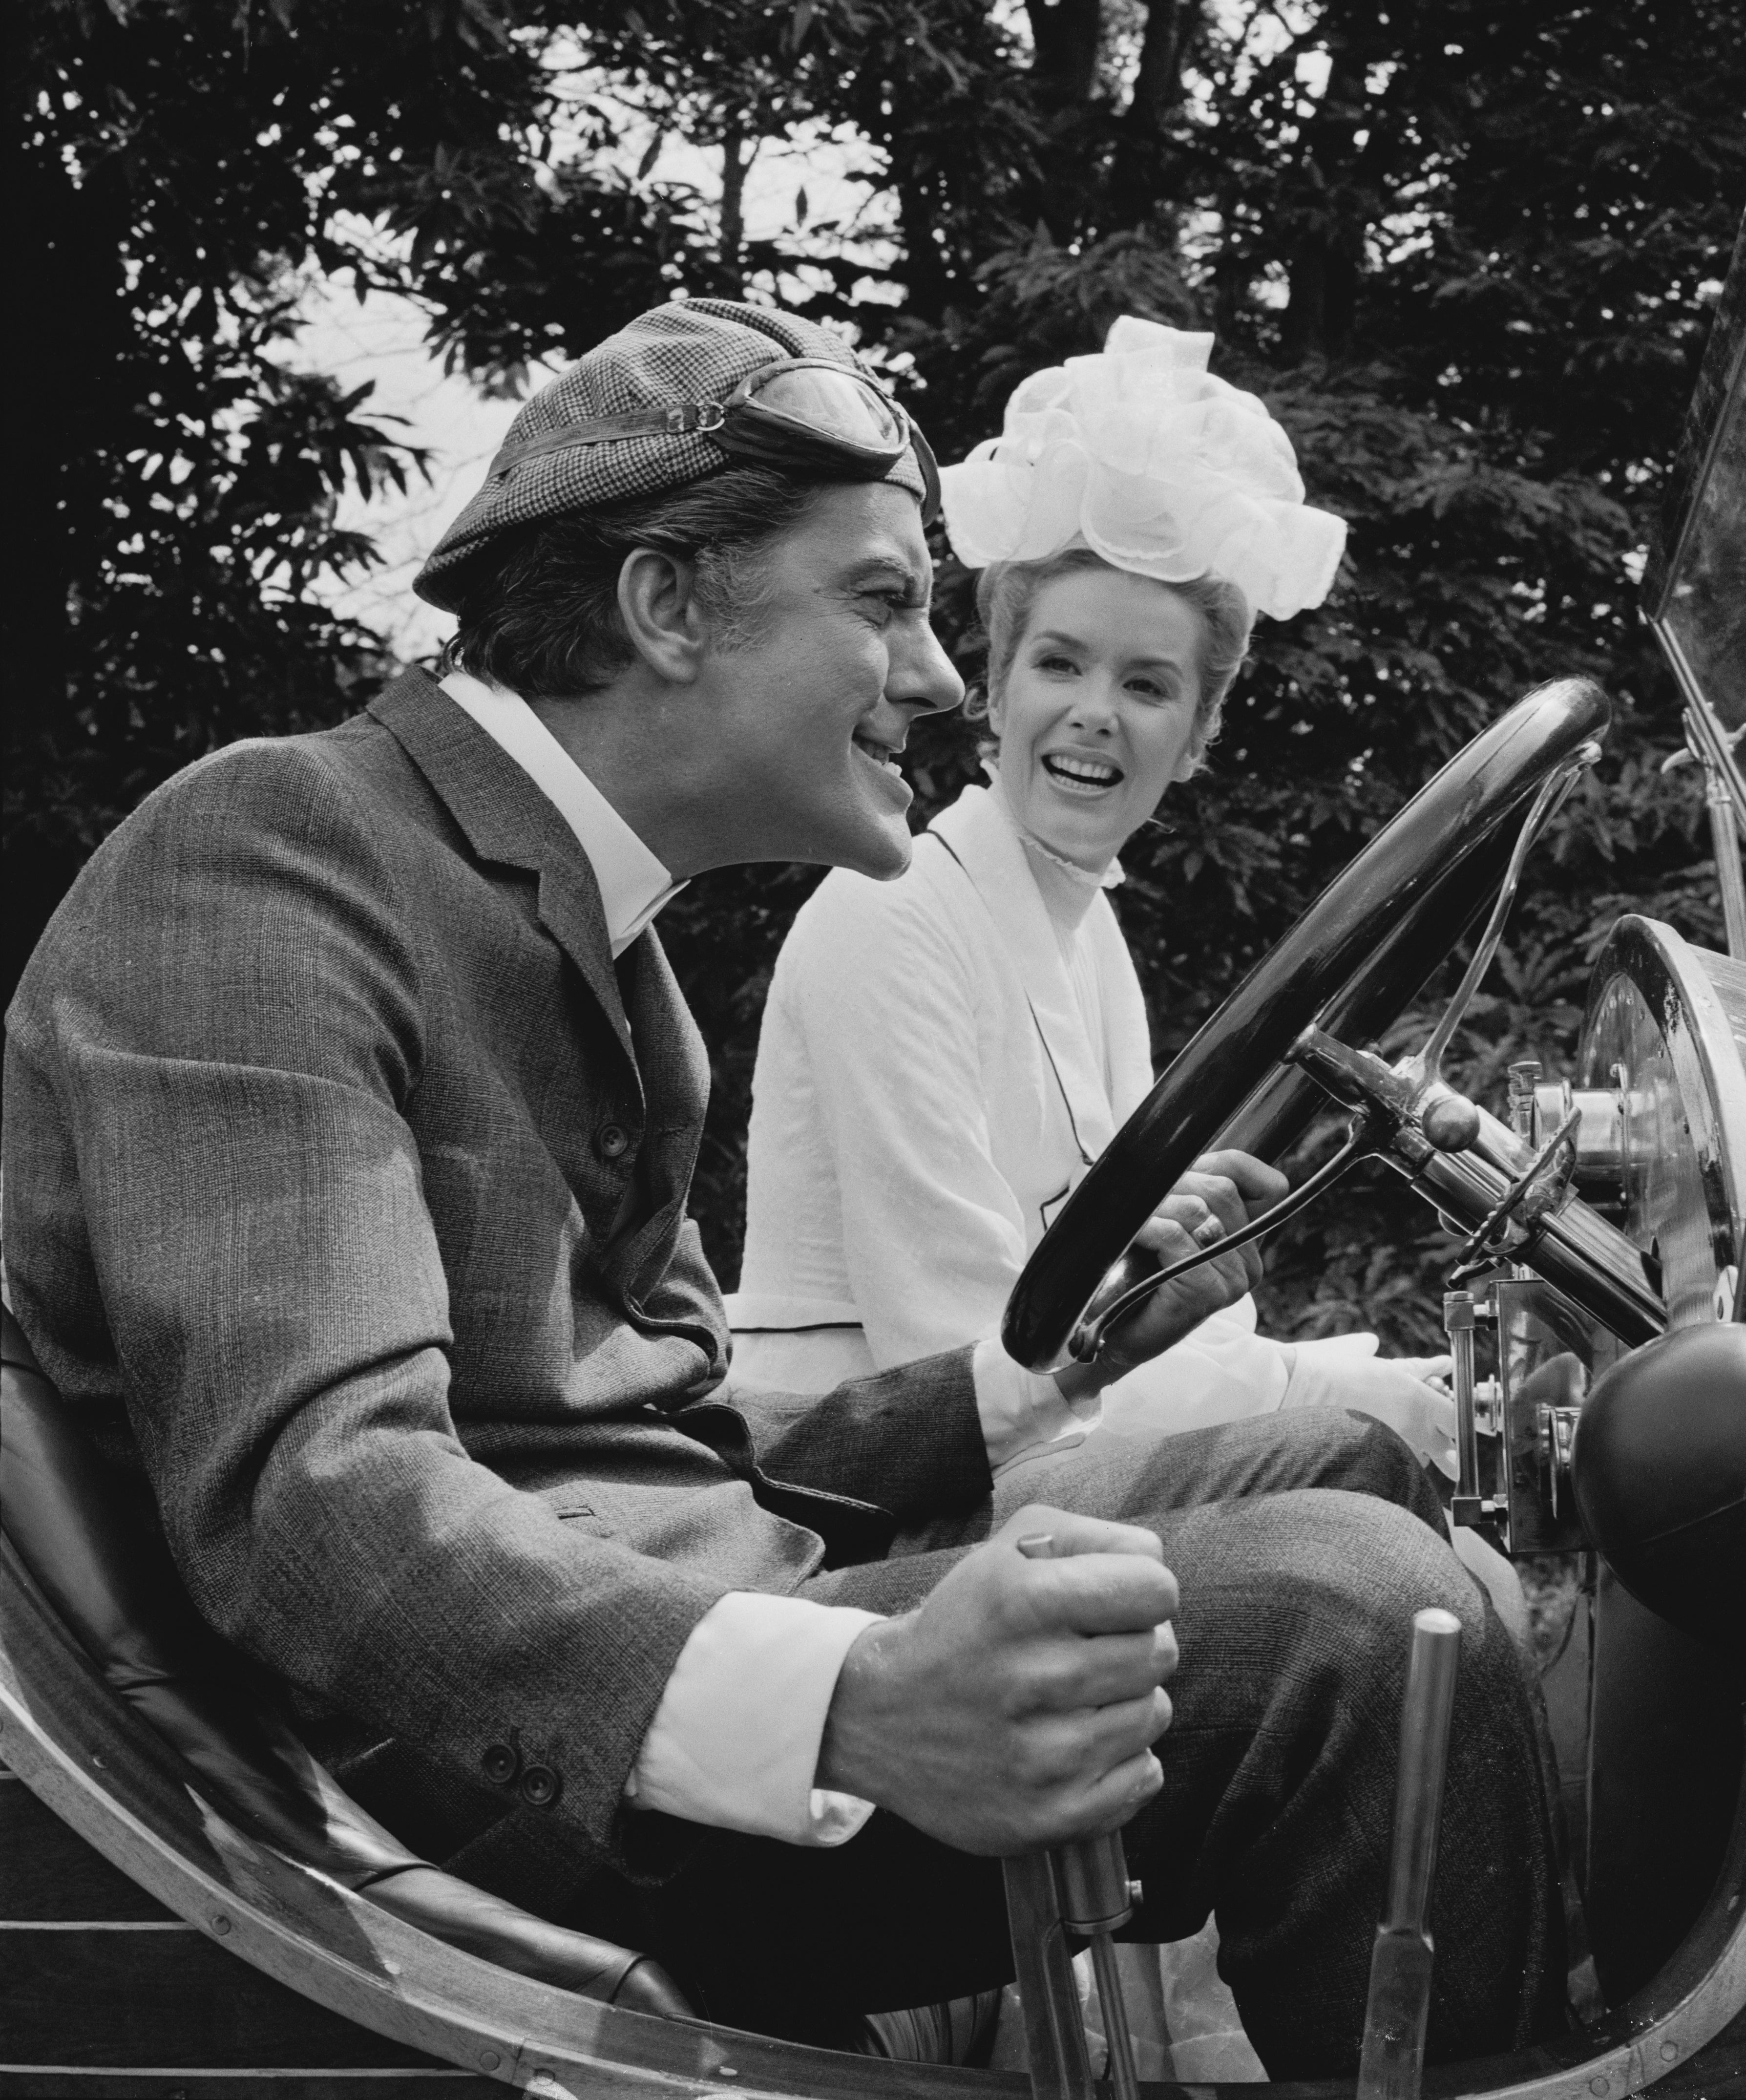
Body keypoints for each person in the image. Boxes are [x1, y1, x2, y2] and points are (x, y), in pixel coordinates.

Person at [1, 298, 1559, 2077]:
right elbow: (318, 1497)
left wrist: (1019, 1380)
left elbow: (683, 1443)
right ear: (668, 606)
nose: (947, 682)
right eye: (885, 603)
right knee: (1362, 1619)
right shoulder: (274, 856)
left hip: (678, 1657)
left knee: (1391, 1552)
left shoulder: (613, 947)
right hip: (503, 1776)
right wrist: (857, 1699)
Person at [730, 316, 1529, 2070]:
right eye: (1060, 666)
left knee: (1397, 1467)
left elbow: (1126, 1326)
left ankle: (1441, 1997)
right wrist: (1359, 1385)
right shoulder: (893, 923)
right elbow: (991, 1372)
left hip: (1001, 1449)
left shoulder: (1085, 939)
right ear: (993, 679)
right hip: (862, 1498)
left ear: (1202, 723)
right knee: (1373, 1526)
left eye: (1148, 684)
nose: (1094, 717)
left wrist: (1408, 1381)